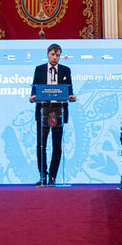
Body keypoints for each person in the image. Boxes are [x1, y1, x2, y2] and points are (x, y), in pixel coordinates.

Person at [31, 43, 75, 185]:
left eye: (57, 55)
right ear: (47, 55)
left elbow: (69, 90)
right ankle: (43, 175)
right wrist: (33, 96)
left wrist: (71, 96)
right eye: (53, 54)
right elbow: (34, 89)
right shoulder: (39, 70)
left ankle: (52, 176)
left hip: (58, 111)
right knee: (41, 145)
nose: (55, 57)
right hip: (43, 110)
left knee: (57, 145)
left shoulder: (66, 70)